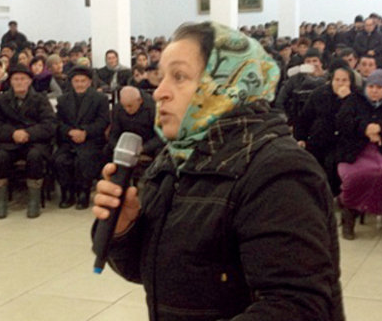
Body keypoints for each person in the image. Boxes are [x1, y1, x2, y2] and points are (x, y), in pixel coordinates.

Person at [92, 22, 344, 320]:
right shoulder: (175, 160)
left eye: (179, 76)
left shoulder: (279, 170)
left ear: (227, 83)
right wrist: (125, 228)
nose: (159, 92)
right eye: (161, 78)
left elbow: (298, 306)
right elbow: (155, 273)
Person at [0, 64, 56, 219]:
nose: (19, 82)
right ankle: (1, 202)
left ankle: (34, 201)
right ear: (10, 81)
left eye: (23, 79)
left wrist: (28, 133)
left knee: (35, 156)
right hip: (8, 142)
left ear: (29, 81)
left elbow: (49, 124)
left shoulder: (40, 100)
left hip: (34, 141)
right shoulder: (0, 101)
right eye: (15, 79)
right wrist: (13, 133)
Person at [335, 69, 382, 240]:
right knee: (357, 175)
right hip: (356, 151)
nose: (374, 90)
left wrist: (381, 128)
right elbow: (343, 121)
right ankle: (349, 211)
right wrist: (365, 129)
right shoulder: (354, 100)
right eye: (371, 86)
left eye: (379, 87)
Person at [295, 60, 358, 196]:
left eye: (344, 80)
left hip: (343, 143)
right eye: (337, 80)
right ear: (331, 80)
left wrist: (346, 100)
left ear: (350, 82)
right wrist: (300, 137)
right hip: (319, 140)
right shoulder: (319, 94)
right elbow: (304, 118)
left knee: (333, 165)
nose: (340, 83)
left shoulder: (356, 98)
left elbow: (355, 123)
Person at [53, 66, 109, 209]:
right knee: (60, 160)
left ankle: (83, 192)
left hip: (91, 140)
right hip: (69, 139)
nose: (79, 84)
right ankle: (68, 192)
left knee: (83, 159)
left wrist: (85, 132)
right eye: (76, 81)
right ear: (71, 82)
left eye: (83, 81)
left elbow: (103, 121)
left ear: (89, 82)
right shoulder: (63, 99)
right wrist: (70, 132)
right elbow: (58, 122)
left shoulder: (100, 99)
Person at [106, 86, 163, 161]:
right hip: (125, 145)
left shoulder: (153, 108)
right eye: (124, 106)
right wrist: (118, 148)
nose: (127, 109)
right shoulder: (118, 109)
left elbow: (161, 136)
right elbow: (113, 134)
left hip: (147, 144)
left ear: (140, 100)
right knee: (106, 151)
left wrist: (144, 148)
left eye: (130, 106)